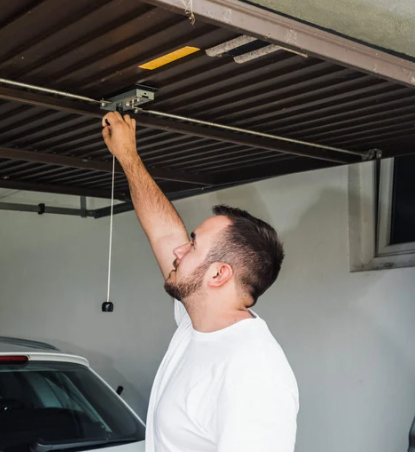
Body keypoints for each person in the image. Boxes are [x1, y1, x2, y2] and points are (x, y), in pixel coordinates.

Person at [101, 111, 299, 452]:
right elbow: (164, 234)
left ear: (219, 274)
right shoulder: (196, 324)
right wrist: (128, 157)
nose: (179, 249)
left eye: (192, 244)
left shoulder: (253, 372)